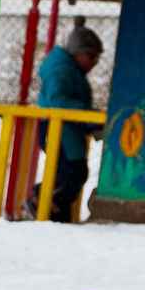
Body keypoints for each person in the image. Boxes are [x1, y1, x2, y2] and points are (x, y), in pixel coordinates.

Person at [34, 24, 103, 223]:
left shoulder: (68, 69)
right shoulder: (61, 70)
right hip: (59, 130)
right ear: (78, 54)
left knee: (71, 172)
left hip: (67, 130)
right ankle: (39, 199)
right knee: (72, 172)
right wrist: (90, 116)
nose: (95, 63)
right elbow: (58, 102)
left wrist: (90, 122)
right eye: (92, 57)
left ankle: (56, 214)